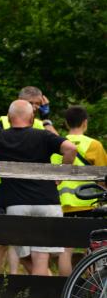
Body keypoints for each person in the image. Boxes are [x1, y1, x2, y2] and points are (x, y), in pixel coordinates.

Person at [0, 101, 77, 276]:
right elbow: (70, 149)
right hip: (47, 201)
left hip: (16, 203)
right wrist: (60, 174)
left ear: (9, 118)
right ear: (32, 118)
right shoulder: (43, 136)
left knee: (25, 257)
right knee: (41, 258)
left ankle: (35, 290)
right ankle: (41, 291)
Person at [49, 105, 107, 273]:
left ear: (67, 123)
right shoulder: (93, 145)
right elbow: (103, 176)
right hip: (87, 203)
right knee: (92, 248)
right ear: (85, 122)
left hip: (62, 203)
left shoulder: (57, 144)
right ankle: (90, 286)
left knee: (65, 250)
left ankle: (66, 285)